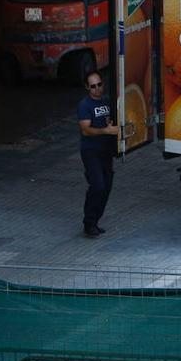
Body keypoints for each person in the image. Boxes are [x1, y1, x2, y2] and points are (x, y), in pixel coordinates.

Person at [77, 70, 121, 237]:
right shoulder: (85, 105)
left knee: (107, 186)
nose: (97, 89)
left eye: (99, 85)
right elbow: (86, 130)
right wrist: (106, 130)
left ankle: (95, 221)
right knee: (97, 185)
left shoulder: (107, 101)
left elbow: (112, 121)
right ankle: (89, 222)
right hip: (91, 151)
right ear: (87, 87)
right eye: (93, 86)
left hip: (105, 151)